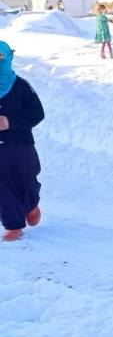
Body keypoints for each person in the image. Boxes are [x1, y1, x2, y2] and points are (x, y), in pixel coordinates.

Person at [0, 41, 45, 243]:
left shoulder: (22, 86)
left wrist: (11, 122)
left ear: (9, 57)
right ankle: (13, 225)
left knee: (26, 180)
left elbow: (37, 114)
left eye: (0, 57)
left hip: (21, 146)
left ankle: (30, 206)